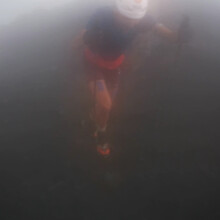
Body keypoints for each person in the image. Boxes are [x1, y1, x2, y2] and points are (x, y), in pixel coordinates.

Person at [73, 0, 187, 157]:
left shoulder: (141, 19)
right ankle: (101, 134)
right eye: (127, 18)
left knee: (106, 105)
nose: (132, 24)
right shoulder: (101, 15)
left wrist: (180, 36)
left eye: (136, 19)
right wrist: (86, 37)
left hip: (114, 66)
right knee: (106, 105)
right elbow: (77, 41)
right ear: (117, 12)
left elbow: (166, 33)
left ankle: (95, 119)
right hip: (94, 65)